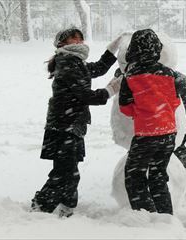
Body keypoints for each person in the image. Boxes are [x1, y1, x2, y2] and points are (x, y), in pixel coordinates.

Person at [31, 27, 122, 217]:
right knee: (66, 172)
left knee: (68, 171)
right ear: (62, 43)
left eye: (80, 38)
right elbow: (85, 95)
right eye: (74, 38)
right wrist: (109, 91)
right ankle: (41, 207)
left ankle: (66, 207)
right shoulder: (67, 62)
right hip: (65, 125)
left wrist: (110, 51)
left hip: (70, 124)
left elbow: (97, 68)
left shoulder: (75, 62)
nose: (79, 41)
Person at [118, 29, 186, 215]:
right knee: (158, 176)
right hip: (168, 134)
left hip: (146, 135)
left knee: (134, 175)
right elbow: (176, 102)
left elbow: (125, 108)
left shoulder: (130, 76)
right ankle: (165, 215)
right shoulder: (169, 74)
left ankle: (147, 215)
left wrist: (142, 109)